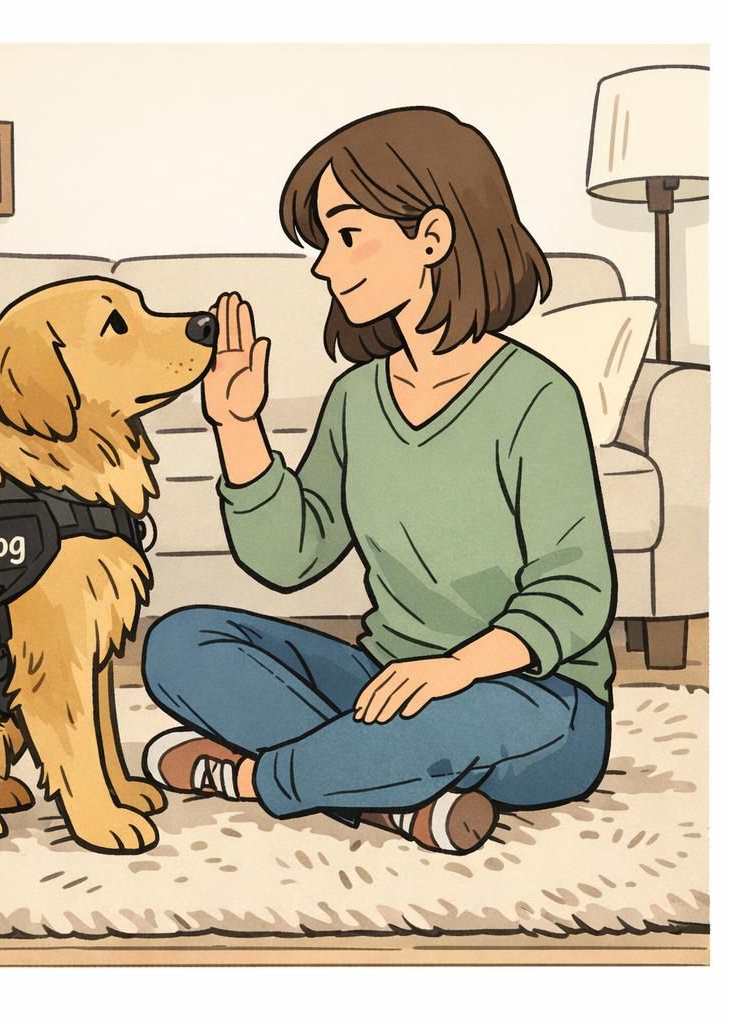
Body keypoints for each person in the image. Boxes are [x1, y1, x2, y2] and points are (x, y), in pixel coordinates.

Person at [140, 107, 616, 855]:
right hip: (386, 678)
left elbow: (576, 594)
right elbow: (289, 560)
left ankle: (258, 780)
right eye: (324, 243)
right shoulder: (357, 398)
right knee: (178, 643)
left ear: (432, 236)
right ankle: (392, 801)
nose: (326, 265)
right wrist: (238, 428)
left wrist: (457, 669)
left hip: (535, 697)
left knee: (448, 725)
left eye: (347, 235)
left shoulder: (536, 397)